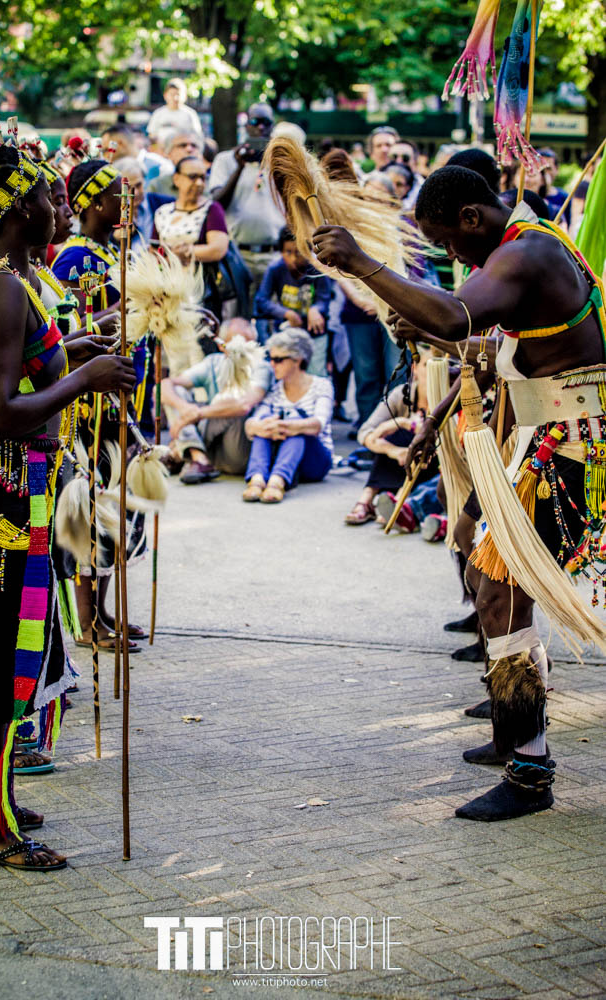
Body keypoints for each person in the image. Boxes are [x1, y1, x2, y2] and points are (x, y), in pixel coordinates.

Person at [312, 164, 606, 821]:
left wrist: (361, 263)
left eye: (448, 242)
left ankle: (529, 770)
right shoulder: (529, 245)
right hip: (555, 442)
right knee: (493, 583)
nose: (451, 257)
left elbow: (454, 313)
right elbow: (485, 338)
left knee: (498, 590)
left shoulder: (524, 252)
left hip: (568, 448)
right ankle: (517, 733)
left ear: (472, 218)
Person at [0, 124, 135, 871]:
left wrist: (72, 351)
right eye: (50, 195)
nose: (61, 205)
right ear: (20, 210)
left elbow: (9, 368)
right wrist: (81, 380)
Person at [52, 158, 148, 650]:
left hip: (124, 405)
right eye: (115, 192)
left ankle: (104, 612)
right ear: (91, 203)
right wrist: (135, 306)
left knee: (120, 509)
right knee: (95, 510)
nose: (124, 201)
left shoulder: (117, 252)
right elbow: (70, 334)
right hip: (93, 412)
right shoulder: (73, 259)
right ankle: (87, 621)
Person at [161, 317, 273, 483]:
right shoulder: (213, 362)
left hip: (238, 449)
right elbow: (164, 386)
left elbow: (244, 404)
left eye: (249, 344)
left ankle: (180, 451)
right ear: (222, 345)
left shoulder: (261, 367)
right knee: (176, 392)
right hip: (212, 447)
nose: (244, 350)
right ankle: (196, 455)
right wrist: (184, 408)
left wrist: (197, 414)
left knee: (229, 402)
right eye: (237, 344)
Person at [344, 351, 436, 524]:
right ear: (415, 369)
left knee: (417, 441)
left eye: (437, 367)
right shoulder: (402, 394)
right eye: (427, 365)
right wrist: (395, 442)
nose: (432, 372)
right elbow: (365, 433)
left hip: (428, 464)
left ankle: (399, 502)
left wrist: (414, 428)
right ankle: (367, 497)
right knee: (395, 435)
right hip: (399, 460)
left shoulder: (447, 398)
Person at [243, 330, 333, 503]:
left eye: (278, 360)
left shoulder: (322, 386)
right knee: (265, 422)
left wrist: (284, 426)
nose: (272, 364)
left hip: (315, 462)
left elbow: (317, 425)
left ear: (297, 360)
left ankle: (278, 481)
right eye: (271, 359)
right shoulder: (275, 389)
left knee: (296, 424)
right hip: (282, 455)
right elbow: (251, 423)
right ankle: (257, 478)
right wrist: (263, 427)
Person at [209, 103, 286, 301]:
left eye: (266, 123)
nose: (260, 128)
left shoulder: (281, 163)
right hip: (237, 254)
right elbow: (217, 205)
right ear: (246, 126)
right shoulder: (226, 160)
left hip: (274, 255)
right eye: (255, 122)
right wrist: (239, 167)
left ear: (272, 127)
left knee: (271, 318)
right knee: (236, 319)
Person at [153, 155, 230, 318]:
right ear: (176, 179)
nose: (199, 183)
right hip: (167, 290)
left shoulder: (212, 209)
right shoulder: (163, 212)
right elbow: (152, 250)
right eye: (193, 177)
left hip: (200, 290)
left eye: (203, 177)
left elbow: (218, 249)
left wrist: (186, 252)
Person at [254, 227, 331, 375]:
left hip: (313, 334)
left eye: (299, 252)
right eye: (288, 252)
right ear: (281, 252)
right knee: (285, 374)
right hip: (285, 332)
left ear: (308, 252)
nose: (294, 258)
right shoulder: (275, 269)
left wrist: (315, 309)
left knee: (316, 374)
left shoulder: (317, 270)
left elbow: (324, 299)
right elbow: (261, 300)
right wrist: (286, 313)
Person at [112, 156, 172, 252]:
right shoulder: (110, 210)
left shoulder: (164, 203)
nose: (134, 193)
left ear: (145, 180)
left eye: (138, 185)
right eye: (128, 188)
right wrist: (115, 237)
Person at [148, 129, 204, 197]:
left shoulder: (208, 182)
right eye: (182, 145)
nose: (189, 149)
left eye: (194, 145)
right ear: (169, 153)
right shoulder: (157, 185)